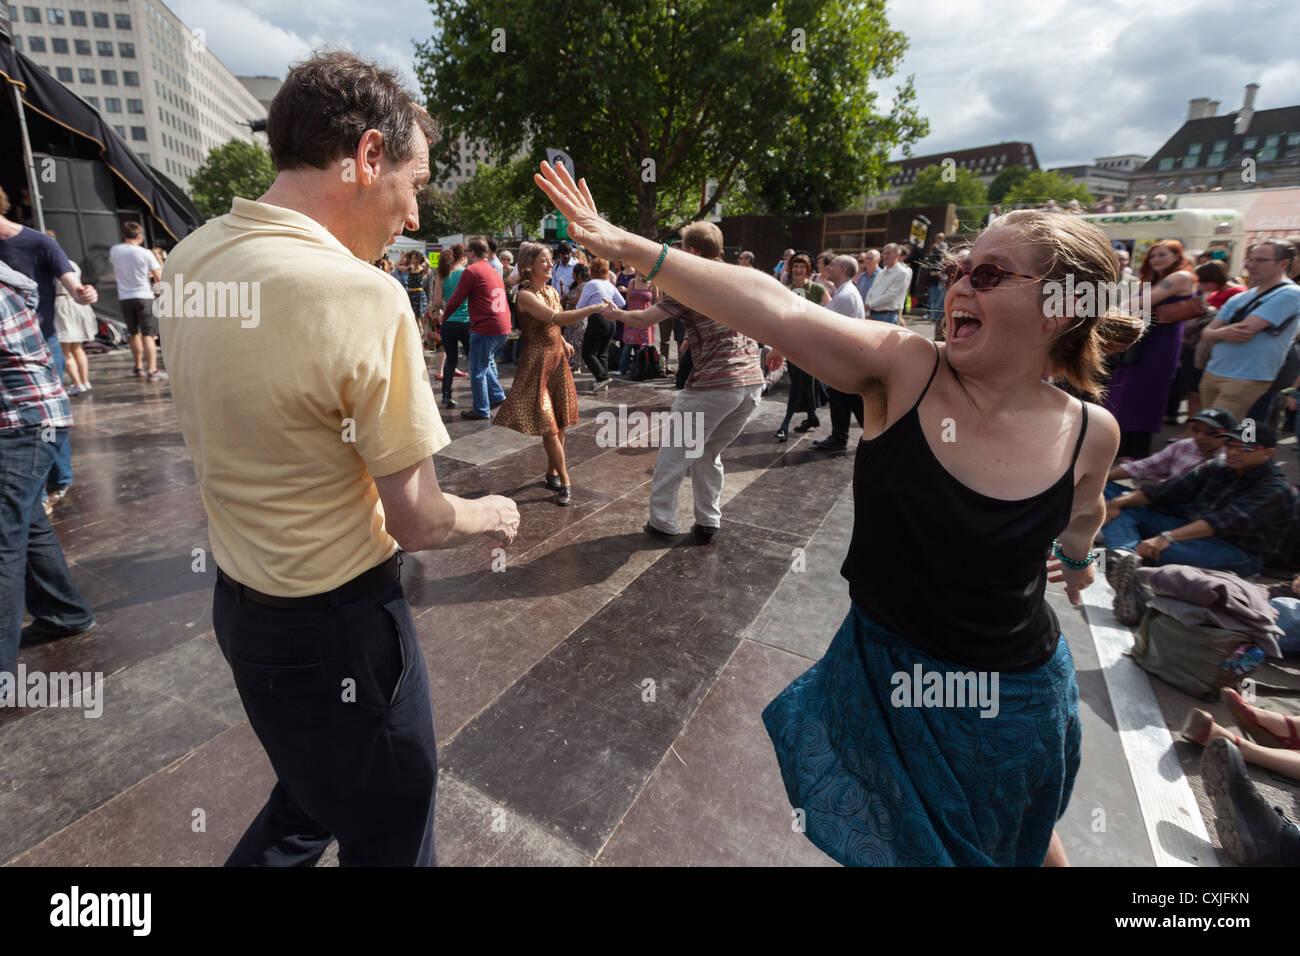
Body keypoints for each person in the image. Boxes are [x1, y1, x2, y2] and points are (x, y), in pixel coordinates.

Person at [536, 158, 1137, 866]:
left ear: (1060, 307)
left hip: (1016, 701)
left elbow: (1083, 515)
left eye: (989, 274)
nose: (959, 286)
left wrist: (1079, 564)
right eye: (958, 269)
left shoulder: (1091, 430)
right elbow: (778, 308)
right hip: (886, 682)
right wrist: (630, 247)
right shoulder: (907, 370)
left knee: (1022, 842)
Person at [158, 51, 519, 867]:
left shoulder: (192, 258)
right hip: (341, 626)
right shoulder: (362, 295)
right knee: (393, 828)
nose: (414, 215)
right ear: (365, 157)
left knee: (309, 794)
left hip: (245, 613)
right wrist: (490, 513)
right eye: (416, 184)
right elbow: (419, 519)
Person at [597, 220, 765, 544]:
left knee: (675, 453)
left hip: (714, 385)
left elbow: (644, 319)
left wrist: (615, 314)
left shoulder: (689, 282)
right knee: (708, 453)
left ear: (691, 250)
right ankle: (708, 521)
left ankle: (662, 522)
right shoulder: (740, 276)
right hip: (751, 383)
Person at [0, 260, 96, 700]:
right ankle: (63, 613)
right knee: (27, 522)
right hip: (33, 418)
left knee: (5, 535)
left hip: (19, 423)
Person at [1104, 423, 1296, 587]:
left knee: (1160, 552)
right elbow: (1164, 492)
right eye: (1230, 444)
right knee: (1124, 508)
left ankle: (1122, 560)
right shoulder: (1219, 465)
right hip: (1188, 529)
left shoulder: (1276, 489)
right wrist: (1118, 502)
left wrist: (1166, 537)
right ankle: (1123, 555)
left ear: (1267, 453)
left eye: (1246, 448)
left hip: (1237, 551)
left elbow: (1221, 521)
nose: (1234, 452)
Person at [0, 188, 97, 503]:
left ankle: (56, 481)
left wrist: (84, 294)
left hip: (39, 344)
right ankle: (31, 491)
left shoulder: (38, 242)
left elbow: (73, 286)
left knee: (44, 419)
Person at [494, 242, 609, 506]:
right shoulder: (525, 295)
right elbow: (555, 319)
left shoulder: (550, 290)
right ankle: (566, 481)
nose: (550, 264)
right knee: (548, 425)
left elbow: (553, 327)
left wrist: (564, 342)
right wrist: (590, 309)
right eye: (544, 260)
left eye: (550, 260)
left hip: (557, 360)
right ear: (528, 265)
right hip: (537, 365)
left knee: (561, 421)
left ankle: (552, 472)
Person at [1105, 240, 1197, 459]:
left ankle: (1135, 450)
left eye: (1162, 254)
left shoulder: (1180, 277)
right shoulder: (1155, 280)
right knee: (1125, 392)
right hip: (1142, 340)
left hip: (1160, 343)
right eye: (1153, 255)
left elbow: (1136, 304)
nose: (1156, 259)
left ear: (1177, 256)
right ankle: (1122, 446)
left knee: (1145, 393)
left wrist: (1102, 309)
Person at [1198, 239, 1300, 420]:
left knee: (1223, 432)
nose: (1250, 265)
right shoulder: (1241, 297)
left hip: (1247, 377)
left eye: (1260, 260)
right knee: (1212, 433)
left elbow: (1244, 330)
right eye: (1250, 259)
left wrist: (1216, 333)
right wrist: (1219, 333)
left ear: (1283, 263)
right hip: (1214, 371)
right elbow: (1206, 335)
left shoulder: (1291, 293)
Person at [442, 236, 512, 420]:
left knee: (477, 370)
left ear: (471, 253)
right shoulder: (494, 270)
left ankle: (481, 409)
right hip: (502, 325)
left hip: (485, 327)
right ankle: (497, 395)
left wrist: (444, 316)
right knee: (485, 361)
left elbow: (456, 298)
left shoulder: (471, 271)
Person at [806, 255, 867, 451]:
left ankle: (875, 437)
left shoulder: (845, 295)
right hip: (846, 357)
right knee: (841, 398)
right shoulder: (845, 291)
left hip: (846, 358)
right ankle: (839, 437)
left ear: (842, 269)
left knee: (852, 399)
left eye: (833, 265)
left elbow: (824, 321)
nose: (828, 267)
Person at [1104, 407, 1234, 497]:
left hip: (1186, 512)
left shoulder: (1229, 460)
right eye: (1195, 429)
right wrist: (1101, 480)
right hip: (1157, 498)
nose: (1200, 436)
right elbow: (1142, 466)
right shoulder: (1184, 445)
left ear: (1228, 434)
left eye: (1210, 432)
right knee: (1102, 489)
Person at [770, 253, 827, 441]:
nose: (798, 270)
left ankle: (785, 424)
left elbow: (831, 312)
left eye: (802, 267)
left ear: (808, 270)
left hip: (811, 345)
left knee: (801, 385)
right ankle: (811, 416)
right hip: (792, 345)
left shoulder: (817, 289)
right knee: (801, 383)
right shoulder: (785, 290)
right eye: (795, 266)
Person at [108, 222, 165, 382]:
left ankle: (138, 365)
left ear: (124, 235)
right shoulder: (145, 253)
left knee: (134, 333)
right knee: (148, 335)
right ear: (139, 236)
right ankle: (152, 369)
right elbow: (159, 277)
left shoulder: (115, 250)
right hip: (144, 295)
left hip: (125, 297)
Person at [51, 250, 98, 396]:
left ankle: (77, 383)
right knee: (77, 347)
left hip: (62, 305)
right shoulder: (72, 263)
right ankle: (84, 381)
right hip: (77, 305)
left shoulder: (51, 263)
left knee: (66, 351)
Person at [430, 242, 470, 408]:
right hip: (467, 322)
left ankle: (446, 396)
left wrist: (438, 314)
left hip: (448, 323)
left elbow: (436, 302)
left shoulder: (442, 274)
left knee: (451, 361)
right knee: (473, 360)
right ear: (462, 257)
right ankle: (481, 396)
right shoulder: (467, 273)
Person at [576, 257, 626, 387]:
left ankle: (602, 378)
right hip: (611, 321)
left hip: (597, 319)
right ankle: (602, 380)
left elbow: (579, 306)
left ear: (591, 270)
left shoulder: (591, 284)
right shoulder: (608, 284)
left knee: (588, 353)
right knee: (602, 353)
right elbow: (622, 302)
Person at [618, 269, 657, 375]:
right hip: (632, 315)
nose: (638, 271)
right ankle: (622, 368)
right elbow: (628, 298)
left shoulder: (653, 284)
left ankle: (642, 368)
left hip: (647, 317)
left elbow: (655, 302)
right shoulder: (632, 282)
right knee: (628, 344)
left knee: (643, 345)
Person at [864, 242, 910, 323]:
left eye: (888, 253)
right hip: (873, 314)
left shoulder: (902, 273)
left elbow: (891, 296)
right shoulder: (882, 272)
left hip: (886, 316)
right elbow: (871, 291)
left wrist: (869, 305)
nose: (885, 256)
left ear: (897, 255)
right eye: (884, 253)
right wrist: (867, 311)